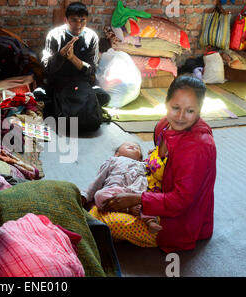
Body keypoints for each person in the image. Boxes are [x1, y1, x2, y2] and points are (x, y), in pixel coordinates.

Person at [89, 76, 217, 252]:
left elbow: (181, 201)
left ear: (200, 110)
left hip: (177, 222)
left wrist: (137, 199)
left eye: (190, 111)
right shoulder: (165, 126)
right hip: (152, 192)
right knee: (104, 198)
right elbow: (166, 162)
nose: (180, 116)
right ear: (166, 102)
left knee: (101, 218)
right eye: (175, 107)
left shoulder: (197, 147)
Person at [38, 2, 110, 129]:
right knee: (37, 95)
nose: (78, 25)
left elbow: (91, 70)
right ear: (66, 20)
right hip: (59, 83)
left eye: (82, 21)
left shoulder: (91, 37)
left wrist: (72, 58)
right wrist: (61, 55)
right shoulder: (54, 35)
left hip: (81, 84)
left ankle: (74, 111)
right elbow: (47, 68)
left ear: (87, 20)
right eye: (74, 20)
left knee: (105, 96)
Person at [83, 141, 163, 233]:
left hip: (137, 192)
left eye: (137, 148)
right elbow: (98, 180)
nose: (132, 146)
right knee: (99, 195)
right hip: (116, 190)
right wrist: (86, 195)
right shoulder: (113, 160)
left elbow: (157, 164)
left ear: (140, 159)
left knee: (148, 200)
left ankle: (150, 222)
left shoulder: (143, 165)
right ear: (117, 154)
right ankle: (128, 209)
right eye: (127, 145)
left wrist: (155, 153)